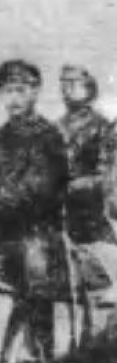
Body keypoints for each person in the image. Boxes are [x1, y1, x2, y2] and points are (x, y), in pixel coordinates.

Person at [0, 59, 70, 361]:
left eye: (20, 90)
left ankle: (42, 352)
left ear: (35, 92)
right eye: (7, 91)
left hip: (36, 227)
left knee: (35, 267)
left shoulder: (48, 135)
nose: (13, 98)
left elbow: (40, 188)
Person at [57, 64, 117, 305]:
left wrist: (76, 185)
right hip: (58, 211)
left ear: (89, 88)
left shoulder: (102, 127)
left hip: (90, 214)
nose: (68, 88)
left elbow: (106, 175)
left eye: (74, 83)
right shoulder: (54, 128)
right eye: (64, 83)